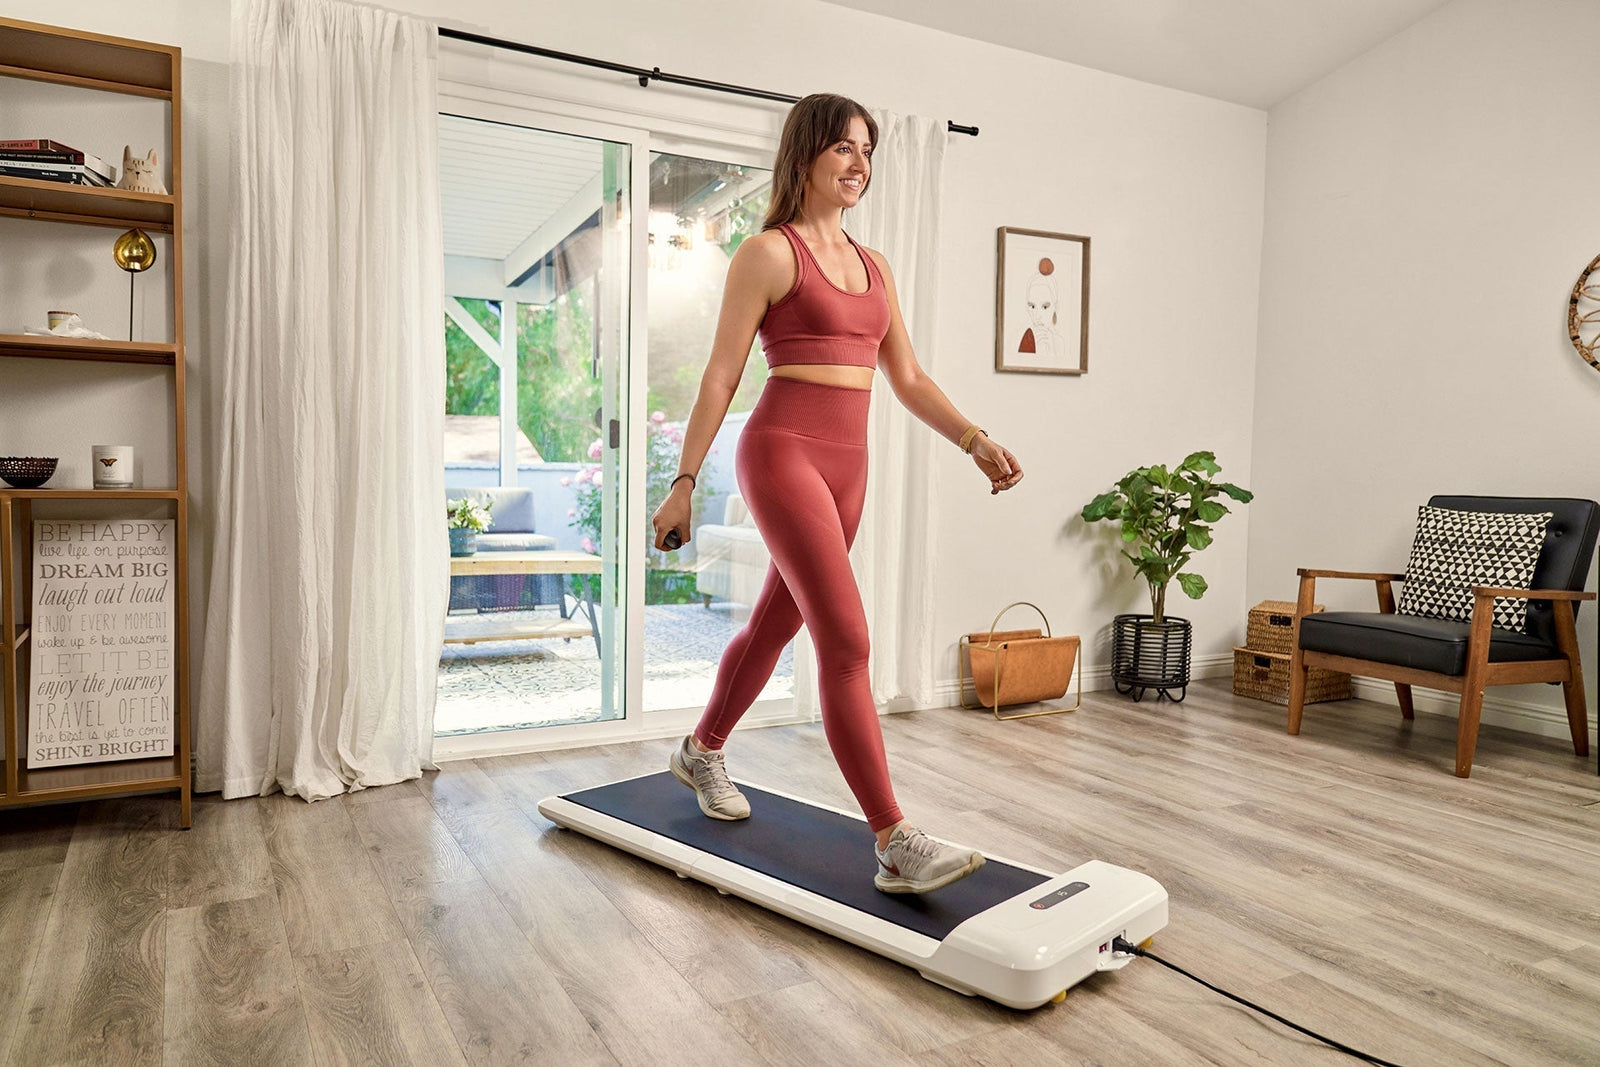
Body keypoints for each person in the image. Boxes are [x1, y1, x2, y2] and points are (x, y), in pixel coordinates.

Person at [650, 93, 1024, 895]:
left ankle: (702, 748)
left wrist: (975, 439)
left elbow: (909, 377)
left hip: (848, 465)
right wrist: (683, 482)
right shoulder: (768, 253)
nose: (858, 163)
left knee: (775, 620)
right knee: (847, 640)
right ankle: (893, 837)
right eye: (843, 148)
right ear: (807, 154)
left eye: (867, 150)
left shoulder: (875, 264)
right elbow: (722, 374)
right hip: (782, 452)